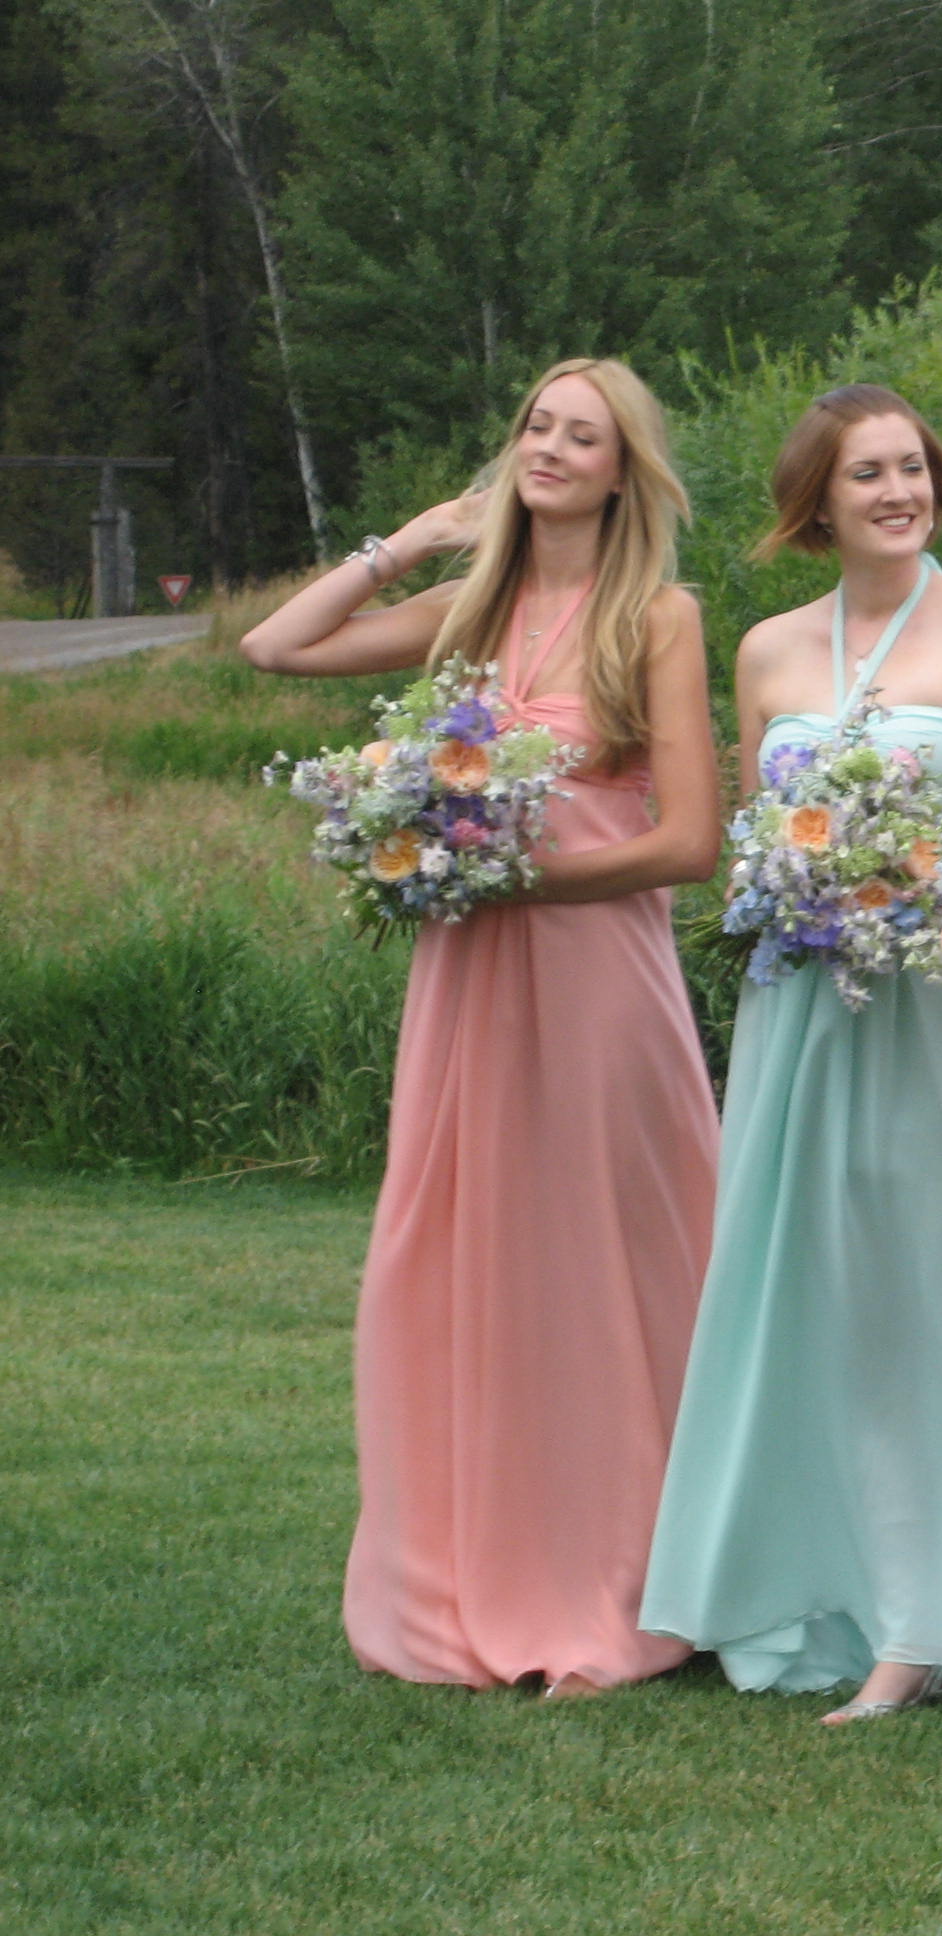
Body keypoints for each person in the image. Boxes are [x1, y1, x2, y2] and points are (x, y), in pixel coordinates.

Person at [241, 357, 719, 1694]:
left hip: (597, 974)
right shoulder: (471, 610)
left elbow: (691, 841)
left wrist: (522, 879)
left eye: (584, 437)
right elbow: (275, 648)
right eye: (536, 427)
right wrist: (412, 539)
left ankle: (640, 1572)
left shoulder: (658, 617)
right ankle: (474, 1568)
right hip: (470, 982)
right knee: (463, 1246)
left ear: (623, 472)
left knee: (605, 1256)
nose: (552, 449)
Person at [640, 385, 942, 1732]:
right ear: (818, 502)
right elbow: (752, 849)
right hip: (816, 1023)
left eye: (912, 468)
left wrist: (937, 895)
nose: (898, 492)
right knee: (866, 1322)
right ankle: (906, 1627)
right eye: (867, 474)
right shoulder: (769, 650)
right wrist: (810, 880)